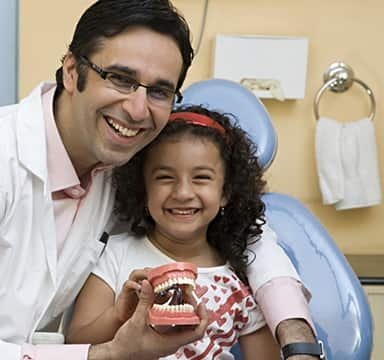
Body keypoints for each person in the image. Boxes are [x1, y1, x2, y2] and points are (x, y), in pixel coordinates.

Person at [0, 1, 318, 359]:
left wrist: (295, 335)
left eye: (160, 91)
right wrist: (107, 354)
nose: (138, 109)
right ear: (72, 71)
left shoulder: (118, 171)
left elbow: (242, 229)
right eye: (120, 78)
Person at [66, 106, 282, 359]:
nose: (182, 193)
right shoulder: (114, 255)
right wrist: (119, 315)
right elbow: (76, 344)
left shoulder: (242, 276)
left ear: (225, 193)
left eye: (201, 178)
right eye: (165, 177)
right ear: (142, 188)